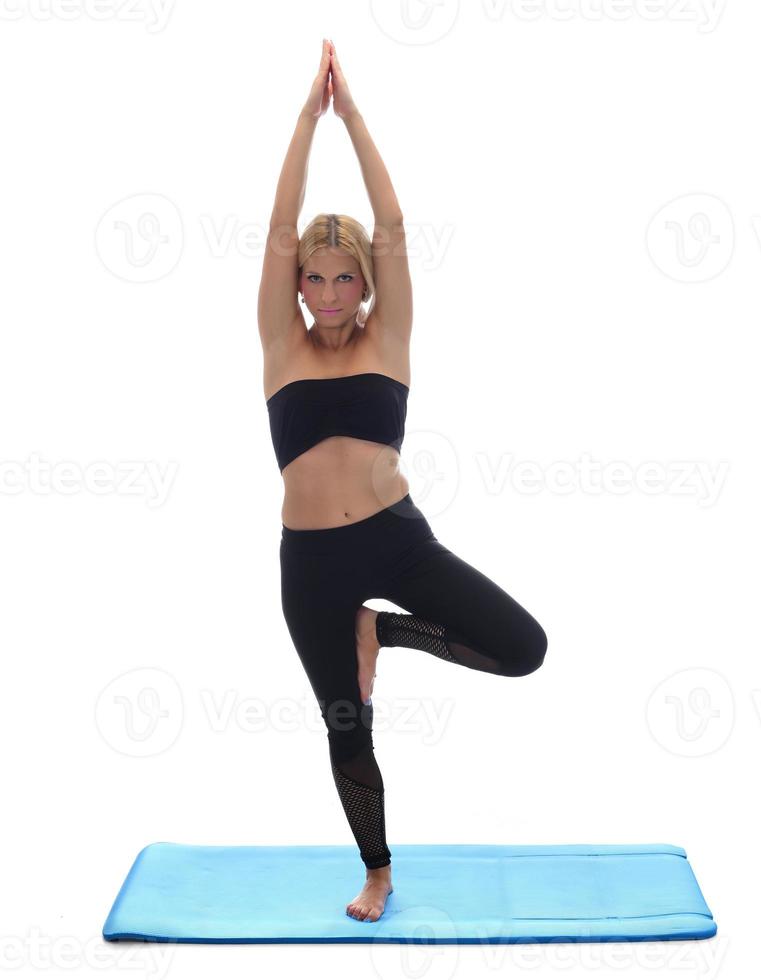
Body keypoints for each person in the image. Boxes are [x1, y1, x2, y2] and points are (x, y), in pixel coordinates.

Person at [258, 39, 548, 923]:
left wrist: (355, 119)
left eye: (348, 277)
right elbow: (278, 225)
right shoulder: (281, 345)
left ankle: (384, 634)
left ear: (365, 282)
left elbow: (391, 224)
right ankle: (378, 872)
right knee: (346, 726)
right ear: (301, 285)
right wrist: (307, 122)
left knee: (521, 649)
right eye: (317, 277)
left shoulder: (392, 338)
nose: (333, 290)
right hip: (311, 563)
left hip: (396, 537)